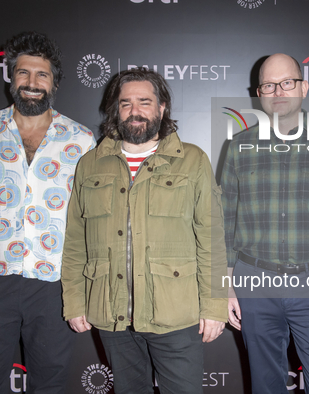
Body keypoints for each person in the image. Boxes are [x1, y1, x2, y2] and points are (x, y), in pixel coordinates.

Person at [61, 67, 228, 394]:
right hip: (113, 315)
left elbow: (211, 239)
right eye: (125, 103)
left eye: (144, 102)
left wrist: (213, 306)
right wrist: (74, 301)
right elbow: (75, 243)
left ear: (162, 108)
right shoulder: (90, 164)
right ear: (116, 110)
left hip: (175, 315)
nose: (134, 111)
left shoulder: (192, 161)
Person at [0, 31, 96, 393]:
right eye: (23, 74)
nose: (32, 83)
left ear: (55, 83)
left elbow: (89, 216)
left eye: (42, 75)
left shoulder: (80, 140)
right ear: (11, 79)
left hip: (54, 284)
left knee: (50, 384)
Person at [221, 53, 309, 393]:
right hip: (254, 284)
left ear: (304, 87)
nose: (278, 91)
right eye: (269, 85)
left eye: (287, 82)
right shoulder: (239, 146)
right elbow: (225, 220)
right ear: (259, 92)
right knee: (265, 384)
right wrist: (224, 285)